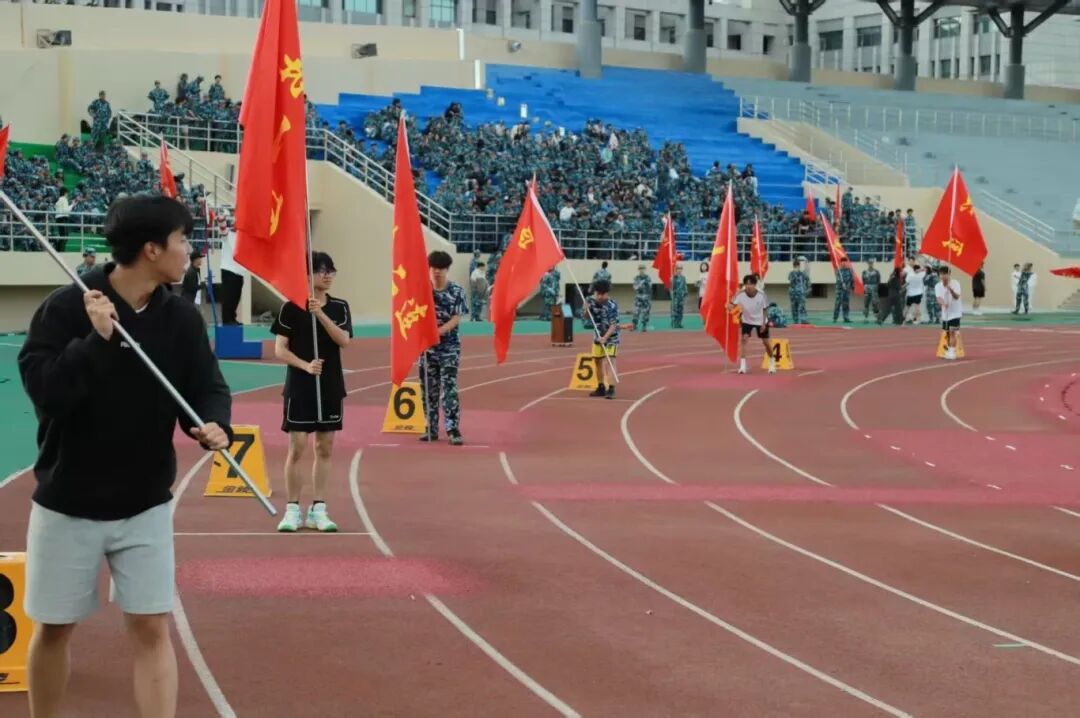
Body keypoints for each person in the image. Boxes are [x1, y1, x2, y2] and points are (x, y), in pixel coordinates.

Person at [17, 195, 233, 718]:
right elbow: (47, 391)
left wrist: (214, 423)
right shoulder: (67, 307)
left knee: (152, 627)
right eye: (182, 240)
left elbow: (207, 386)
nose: (190, 250)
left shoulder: (180, 317)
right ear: (152, 249)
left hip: (145, 503)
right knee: (54, 628)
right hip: (68, 502)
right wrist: (96, 341)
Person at [271, 251, 353, 532]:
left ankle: (319, 509)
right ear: (307, 274)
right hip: (300, 385)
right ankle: (292, 509)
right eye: (321, 270)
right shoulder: (291, 307)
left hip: (330, 385)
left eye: (331, 270)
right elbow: (280, 349)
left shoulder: (340, 307)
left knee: (324, 446)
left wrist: (320, 314)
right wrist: (305, 366)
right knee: (297, 447)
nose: (327, 276)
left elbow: (344, 340)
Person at [420, 250, 468, 445]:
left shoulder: (456, 291)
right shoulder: (422, 291)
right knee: (428, 389)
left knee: (449, 388)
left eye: (441, 268)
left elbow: (457, 318)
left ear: (447, 269)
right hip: (427, 349)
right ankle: (430, 428)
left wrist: (438, 332)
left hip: (449, 347)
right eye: (433, 268)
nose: (437, 271)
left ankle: (452, 429)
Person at [729, 274, 776, 375]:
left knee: (766, 343)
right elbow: (732, 304)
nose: (748, 286)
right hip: (747, 320)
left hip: (760, 320)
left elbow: (765, 309)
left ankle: (772, 362)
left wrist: (763, 324)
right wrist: (730, 306)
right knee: (744, 340)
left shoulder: (761, 294)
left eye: (751, 284)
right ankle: (742, 366)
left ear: (755, 285)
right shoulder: (740, 294)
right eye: (746, 284)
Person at [585, 279, 619, 399]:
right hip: (597, 336)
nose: (599, 296)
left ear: (607, 293)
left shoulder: (612, 305)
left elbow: (613, 325)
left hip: (611, 337)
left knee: (610, 361)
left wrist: (605, 338)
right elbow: (586, 318)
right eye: (597, 294)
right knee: (597, 361)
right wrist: (586, 310)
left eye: (602, 294)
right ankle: (600, 387)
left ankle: (611, 388)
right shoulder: (591, 301)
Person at [935, 265, 963, 360]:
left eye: (945, 274)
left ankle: (952, 352)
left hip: (955, 313)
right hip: (946, 314)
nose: (943, 276)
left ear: (949, 274)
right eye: (941, 274)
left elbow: (957, 297)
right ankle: (948, 350)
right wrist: (943, 304)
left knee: (952, 332)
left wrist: (951, 290)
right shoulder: (938, 286)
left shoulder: (955, 283)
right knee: (947, 333)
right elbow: (938, 298)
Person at [632, 264, 652, 331]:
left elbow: (650, 287)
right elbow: (635, 287)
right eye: (640, 269)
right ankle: (634, 325)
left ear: (645, 269)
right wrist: (640, 284)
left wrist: (645, 284)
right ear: (639, 270)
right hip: (639, 297)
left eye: (643, 269)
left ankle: (644, 326)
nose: (642, 270)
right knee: (636, 311)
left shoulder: (648, 278)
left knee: (645, 312)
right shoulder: (636, 278)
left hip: (646, 297)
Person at [670, 264, 688, 328]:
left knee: (681, 310)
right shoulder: (673, 278)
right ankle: (674, 323)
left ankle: (679, 323)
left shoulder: (683, 278)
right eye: (678, 269)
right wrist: (671, 295)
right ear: (676, 270)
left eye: (680, 269)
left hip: (681, 297)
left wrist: (685, 294)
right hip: (675, 297)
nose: (679, 270)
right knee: (674, 310)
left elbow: (685, 286)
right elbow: (671, 288)